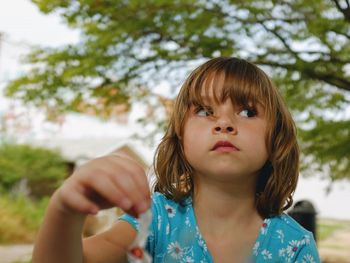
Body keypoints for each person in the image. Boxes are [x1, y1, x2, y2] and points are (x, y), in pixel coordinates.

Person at [33, 57, 320, 263]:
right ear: (180, 138)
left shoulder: (295, 245)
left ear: (276, 139)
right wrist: (65, 210)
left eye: (247, 112)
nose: (224, 123)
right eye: (205, 111)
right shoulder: (155, 222)